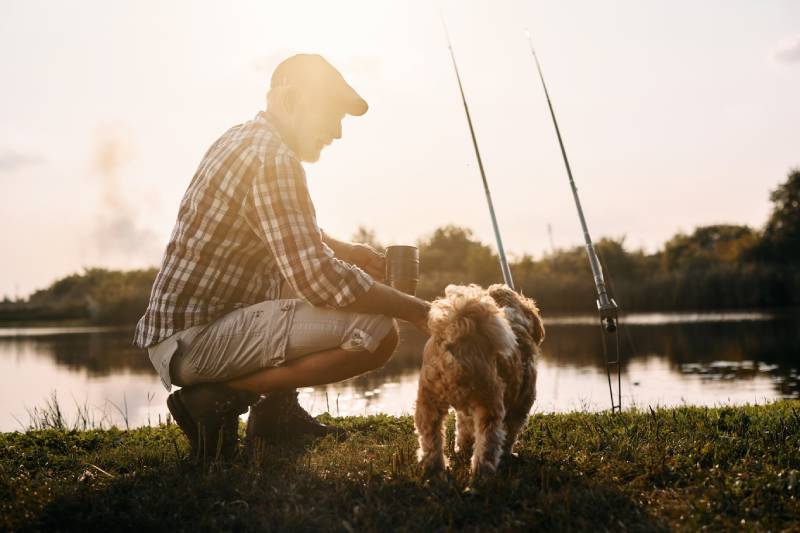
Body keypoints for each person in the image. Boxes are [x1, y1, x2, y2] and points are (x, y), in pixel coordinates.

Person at [133, 54, 430, 459]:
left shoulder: (242, 138)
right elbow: (318, 278)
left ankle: (277, 415)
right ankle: (217, 399)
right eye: (332, 115)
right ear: (291, 101)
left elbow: (283, 230)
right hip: (196, 341)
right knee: (378, 332)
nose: (338, 132)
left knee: (302, 287)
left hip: (184, 337)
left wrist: (350, 251)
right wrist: (417, 310)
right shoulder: (273, 160)